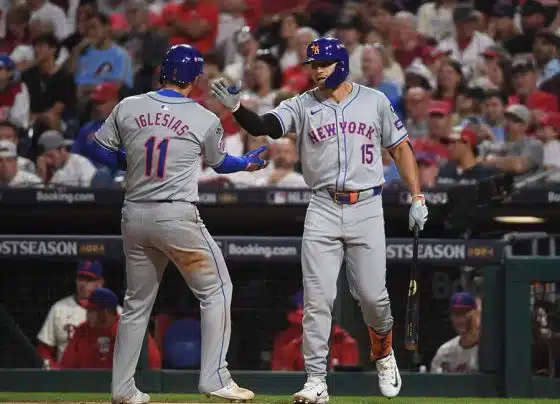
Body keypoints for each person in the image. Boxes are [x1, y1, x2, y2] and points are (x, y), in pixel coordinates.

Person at [211, 36, 429, 402]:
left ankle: (383, 352)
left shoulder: (374, 101)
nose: (316, 70)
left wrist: (417, 195)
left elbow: (400, 148)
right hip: (323, 206)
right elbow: (266, 125)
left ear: (340, 63)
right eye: (312, 64)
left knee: (373, 298)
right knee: (317, 299)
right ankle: (316, 380)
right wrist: (238, 109)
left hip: (367, 206)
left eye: (323, 64)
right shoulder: (302, 103)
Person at [92, 44, 267, 404]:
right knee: (217, 290)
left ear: (163, 70)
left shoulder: (129, 105)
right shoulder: (204, 118)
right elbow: (220, 164)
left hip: (134, 213)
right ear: (195, 78)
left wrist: (131, 159)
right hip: (175, 215)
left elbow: (101, 150)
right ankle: (215, 378)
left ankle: (123, 390)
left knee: (137, 304)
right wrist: (248, 163)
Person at [58, 287, 161, 370]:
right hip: (86, 388)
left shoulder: (129, 330)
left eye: (91, 310)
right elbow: (66, 366)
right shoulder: (82, 330)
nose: (87, 314)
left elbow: (153, 363)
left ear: (106, 312)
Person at [36, 261, 108, 367]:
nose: (83, 284)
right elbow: (45, 348)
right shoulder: (59, 308)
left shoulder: (114, 312)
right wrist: (52, 368)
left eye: (89, 279)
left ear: (100, 283)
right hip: (66, 377)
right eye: (80, 278)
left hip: (101, 377)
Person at [430, 292, 481, 373]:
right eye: (456, 314)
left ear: (476, 315)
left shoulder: (486, 350)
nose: (459, 319)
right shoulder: (445, 351)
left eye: (464, 313)